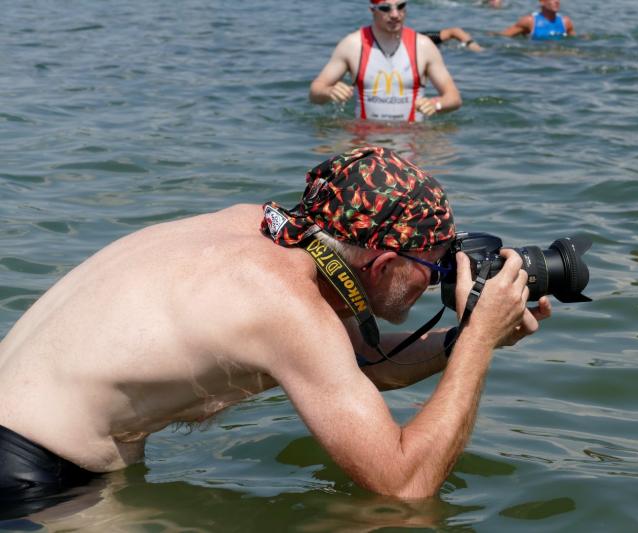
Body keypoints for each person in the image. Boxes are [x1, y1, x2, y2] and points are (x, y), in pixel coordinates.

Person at [0, 146, 551, 516]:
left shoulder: (267, 229)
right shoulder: (286, 305)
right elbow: (405, 484)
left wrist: (468, 336)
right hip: (34, 477)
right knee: (396, 521)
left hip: (28, 438)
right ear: (382, 266)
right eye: (431, 268)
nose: (434, 281)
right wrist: (478, 344)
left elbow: (364, 363)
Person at [309, 0, 462, 122]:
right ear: (372, 10)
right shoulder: (352, 45)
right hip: (365, 139)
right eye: (385, 8)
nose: (395, 14)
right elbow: (315, 93)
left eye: (400, 6)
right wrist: (328, 92)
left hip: (411, 138)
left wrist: (436, 104)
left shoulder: (423, 46)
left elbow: (454, 98)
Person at [500, 0, 575, 40]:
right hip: (536, 59)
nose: (557, 1)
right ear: (542, 2)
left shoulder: (565, 22)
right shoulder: (529, 21)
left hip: (559, 59)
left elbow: (574, 40)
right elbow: (502, 37)